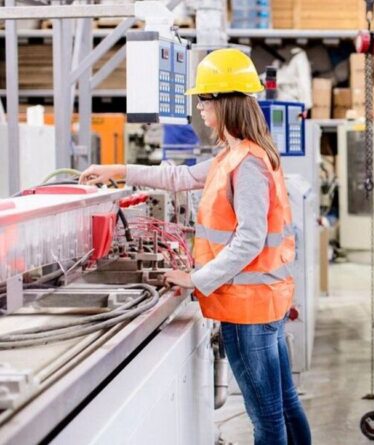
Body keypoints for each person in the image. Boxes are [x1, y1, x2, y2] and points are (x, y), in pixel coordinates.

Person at [79, 49, 311, 445]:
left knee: (268, 418)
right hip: (264, 300)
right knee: (285, 405)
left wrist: (195, 278)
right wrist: (118, 170)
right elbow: (180, 176)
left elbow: (250, 238)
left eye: (205, 99)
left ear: (226, 102)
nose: (200, 108)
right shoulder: (241, 154)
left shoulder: (248, 163)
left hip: (248, 306)